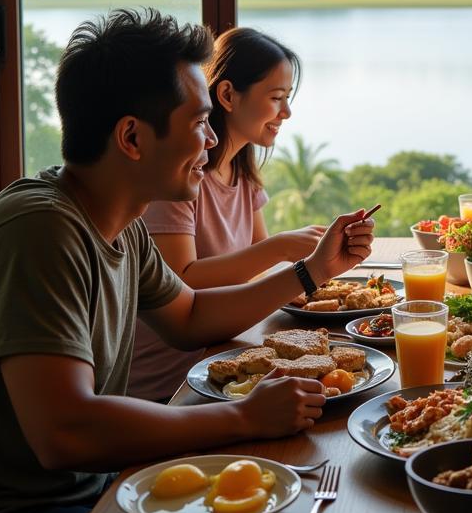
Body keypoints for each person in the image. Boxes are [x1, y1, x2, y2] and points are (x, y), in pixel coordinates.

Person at [0, 9, 376, 513]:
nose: (212, 142)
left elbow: (187, 319)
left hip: (82, 488)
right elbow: (65, 432)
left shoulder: (117, 219)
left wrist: (312, 273)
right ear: (132, 138)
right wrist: (241, 420)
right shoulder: (41, 232)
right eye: (201, 123)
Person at [129, 26, 326, 401]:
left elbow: (256, 264)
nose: (286, 111)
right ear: (227, 95)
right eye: (276, 97)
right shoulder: (178, 179)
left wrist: (307, 269)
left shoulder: (243, 174)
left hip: (218, 358)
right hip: (168, 384)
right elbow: (184, 278)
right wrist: (284, 250)